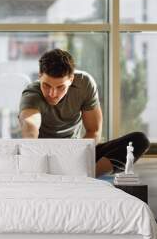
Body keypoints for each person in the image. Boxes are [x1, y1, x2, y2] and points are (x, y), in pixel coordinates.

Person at [18, 48, 150, 177]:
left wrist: (77, 159)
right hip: (44, 156)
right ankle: (73, 176)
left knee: (139, 141)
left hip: (76, 152)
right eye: (47, 86)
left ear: (71, 79)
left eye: (60, 87)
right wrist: (34, 162)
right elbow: (30, 126)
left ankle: (87, 176)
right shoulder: (32, 94)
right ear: (40, 76)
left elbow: (94, 130)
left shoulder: (84, 84)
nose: (53, 94)